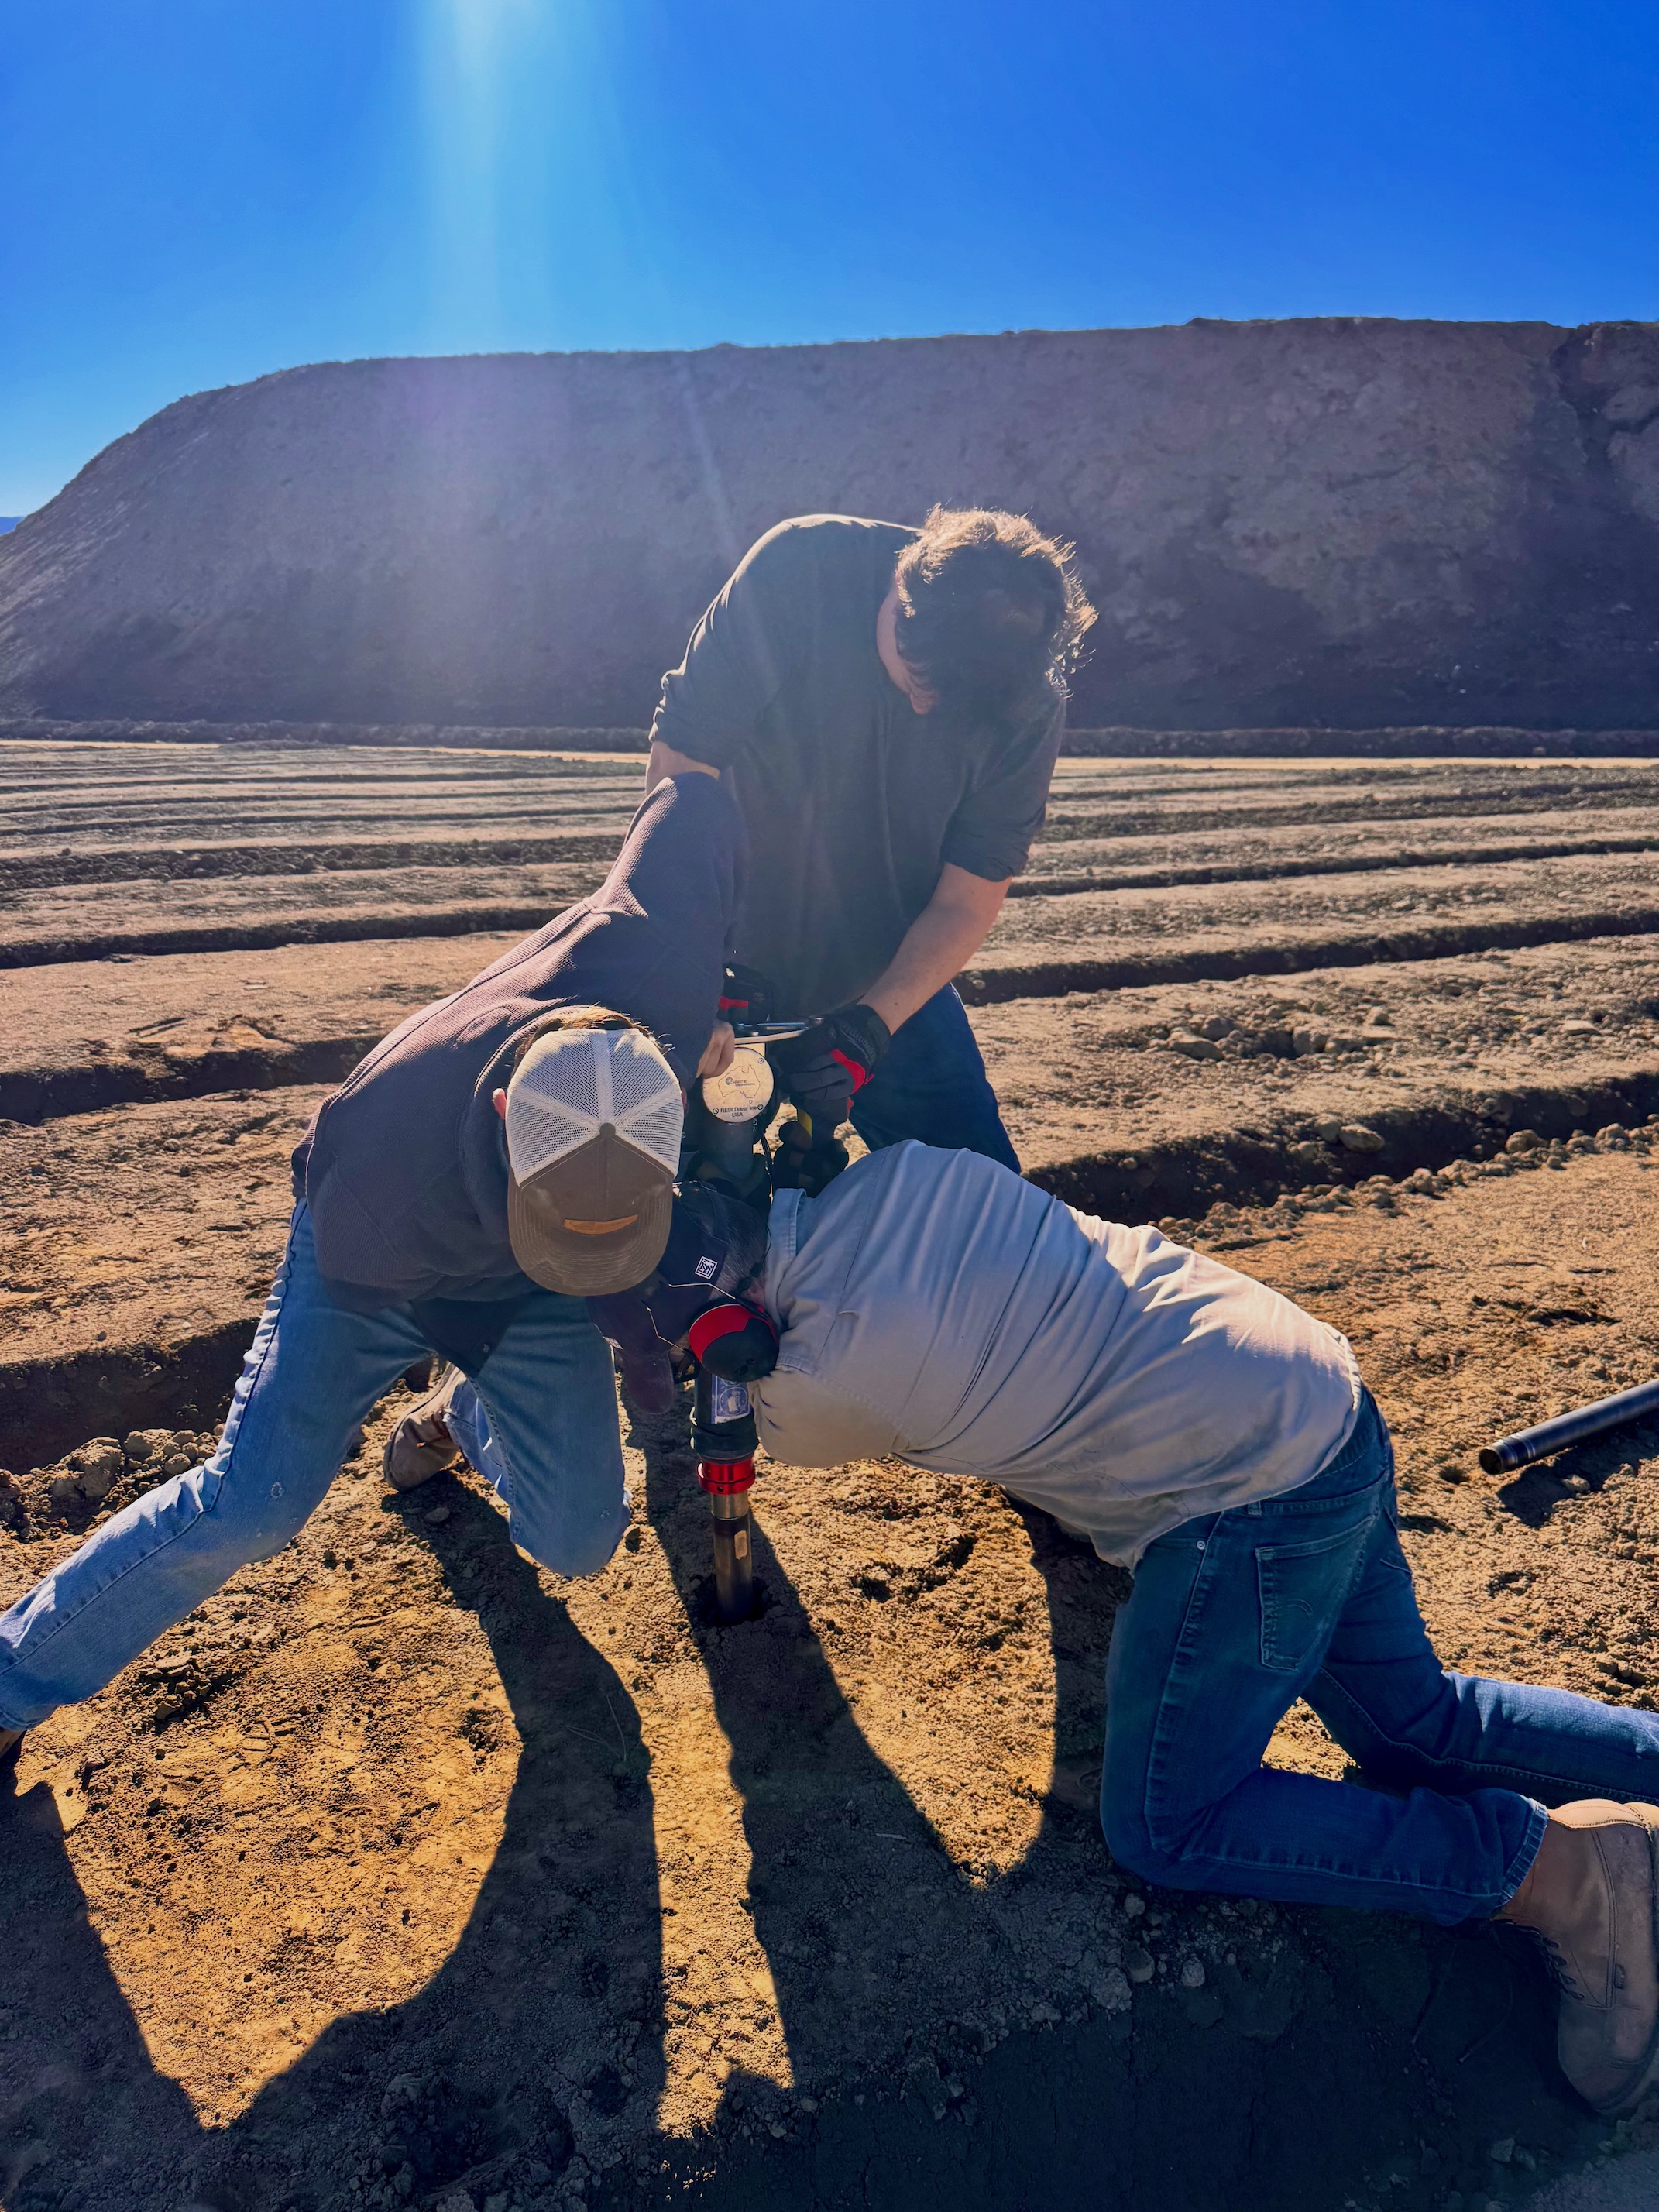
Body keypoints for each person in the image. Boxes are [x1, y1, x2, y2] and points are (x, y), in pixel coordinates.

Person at [599, 1142, 1659, 2120]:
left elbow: (737, 1411)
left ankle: (1562, 1878)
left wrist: (689, 1380)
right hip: (1317, 1401)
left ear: (713, 1329)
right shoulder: (896, 1178)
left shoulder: (817, 1391)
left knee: (1172, 1824)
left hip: (1244, 1502)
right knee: (1415, 1722)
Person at [0, 772, 747, 1758]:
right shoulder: (382, 1178)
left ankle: (450, 1417)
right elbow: (451, 1299)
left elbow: (696, 802)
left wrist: (725, 1003)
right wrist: (621, 1352)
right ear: (500, 1126)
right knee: (252, 1506)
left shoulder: (660, 974)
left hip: (517, 1277)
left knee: (580, 1542)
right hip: (375, 1278)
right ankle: (13, 1681)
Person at [647, 507, 1095, 1173]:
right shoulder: (801, 572)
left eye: (948, 704)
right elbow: (681, 773)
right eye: (917, 681)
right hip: (723, 956)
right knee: (661, 1202)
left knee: (984, 1199)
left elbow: (966, 901)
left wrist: (869, 1029)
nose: (922, 709)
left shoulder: (1024, 699)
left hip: (887, 971)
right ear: (898, 599)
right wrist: (695, 960)